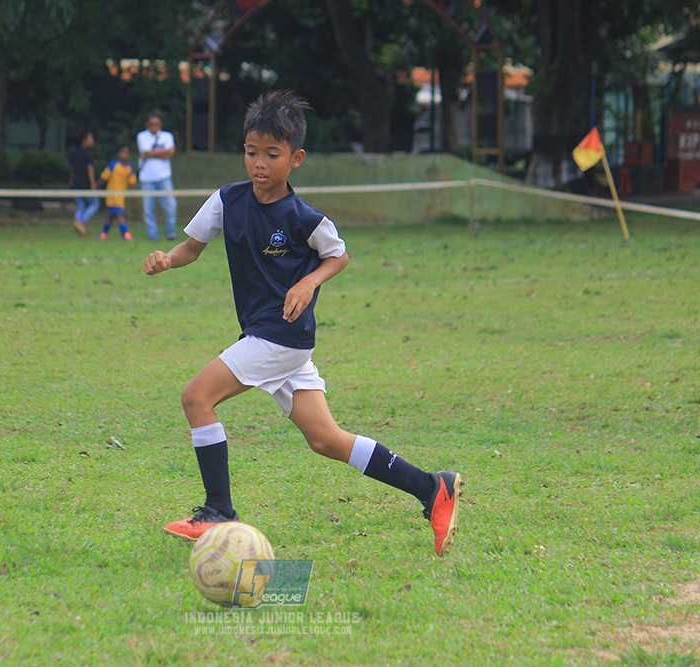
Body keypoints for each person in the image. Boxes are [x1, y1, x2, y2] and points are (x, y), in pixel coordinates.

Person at [142, 90, 462, 556]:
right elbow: (192, 246)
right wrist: (166, 260)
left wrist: (308, 282)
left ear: (296, 159)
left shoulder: (303, 217)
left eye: (272, 154)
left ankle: (218, 511)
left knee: (196, 397)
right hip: (272, 338)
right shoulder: (227, 201)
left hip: (281, 336)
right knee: (326, 439)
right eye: (252, 152)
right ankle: (434, 488)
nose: (259, 163)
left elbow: (339, 255)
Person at [136, 111, 177, 241]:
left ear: (161, 124)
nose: (154, 127)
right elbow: (145, 152)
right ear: (147, 125)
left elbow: (170, 153)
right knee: (148, 209)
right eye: (152, 124)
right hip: (147, 178)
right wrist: (162, 153)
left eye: (157, 124)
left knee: (171, 206)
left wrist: (151, 154)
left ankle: (170, 233)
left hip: (164, 177)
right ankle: (152, 236)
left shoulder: (167, 136)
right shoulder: (142, 136)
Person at [98, 144, 137, 241]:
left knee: (111, 217)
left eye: (127, 153)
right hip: (112, 195)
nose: (125, 155)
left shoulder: (129, 168)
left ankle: (103, 235)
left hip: (121, 196)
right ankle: (126, 235)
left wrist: (133, 194)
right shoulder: (113, 165)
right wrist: (95, 186)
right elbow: (104, 177)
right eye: (123, 152)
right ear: (118, 154)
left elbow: (132, 182)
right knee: (120, 215)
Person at [69, 129, 99, 237]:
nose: (93, 141)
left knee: (80, 206)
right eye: (91, 138)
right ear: (85, 140)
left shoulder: (75, 152)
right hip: (86, 184)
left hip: (76, 184)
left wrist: (71, 181)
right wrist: (93, 183)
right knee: (95, 204)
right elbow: (90, 168)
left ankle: (78, 229)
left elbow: (72, 169)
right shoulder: (89, 153)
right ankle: (81, 222)